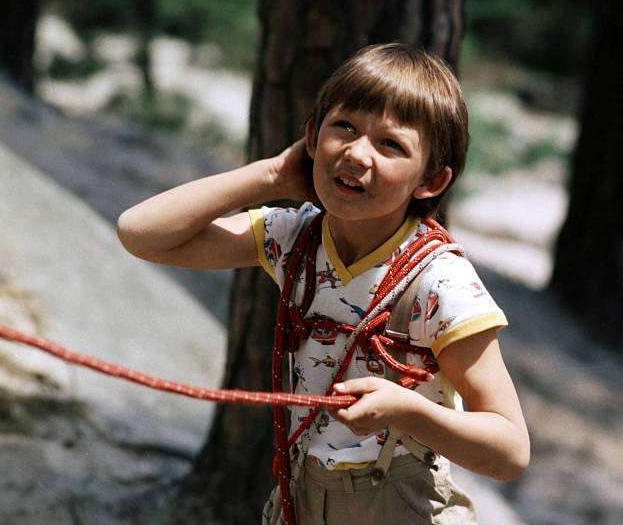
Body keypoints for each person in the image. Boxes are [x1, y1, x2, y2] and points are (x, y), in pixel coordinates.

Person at [117, 43, 529, 524]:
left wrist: (407, 411)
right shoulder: (295, 237)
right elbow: (141, 234)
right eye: (345, 127)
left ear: (431, 181)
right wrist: (269, 174)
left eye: (390, 145)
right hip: (301, 493)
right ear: (312, 136)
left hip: (399, 503)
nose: (356, 154)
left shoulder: (440, 283)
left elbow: (510, 450)